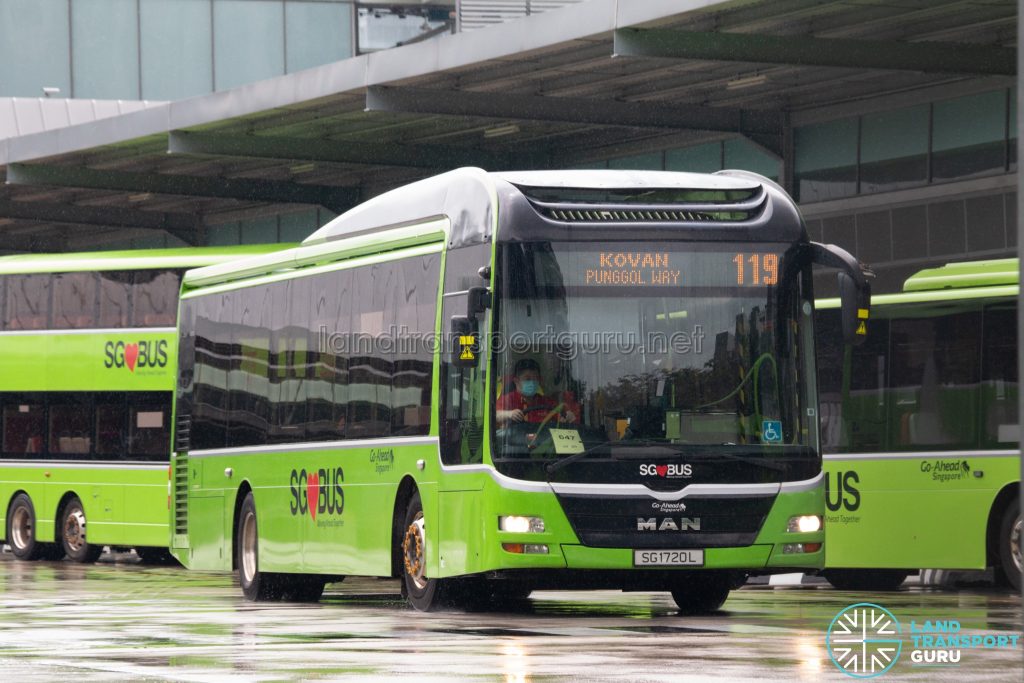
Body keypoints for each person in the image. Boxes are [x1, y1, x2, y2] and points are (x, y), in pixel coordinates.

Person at [495, 358, 579, 427]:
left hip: (543, 445)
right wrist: (509, 414)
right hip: (514, 445)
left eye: (535, 378)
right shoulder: (507, 399)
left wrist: (567, 417)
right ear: (516, 381)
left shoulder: (546, 402)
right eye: (527, 379)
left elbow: (561, 416)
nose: (532, 382)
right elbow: (493, 416)